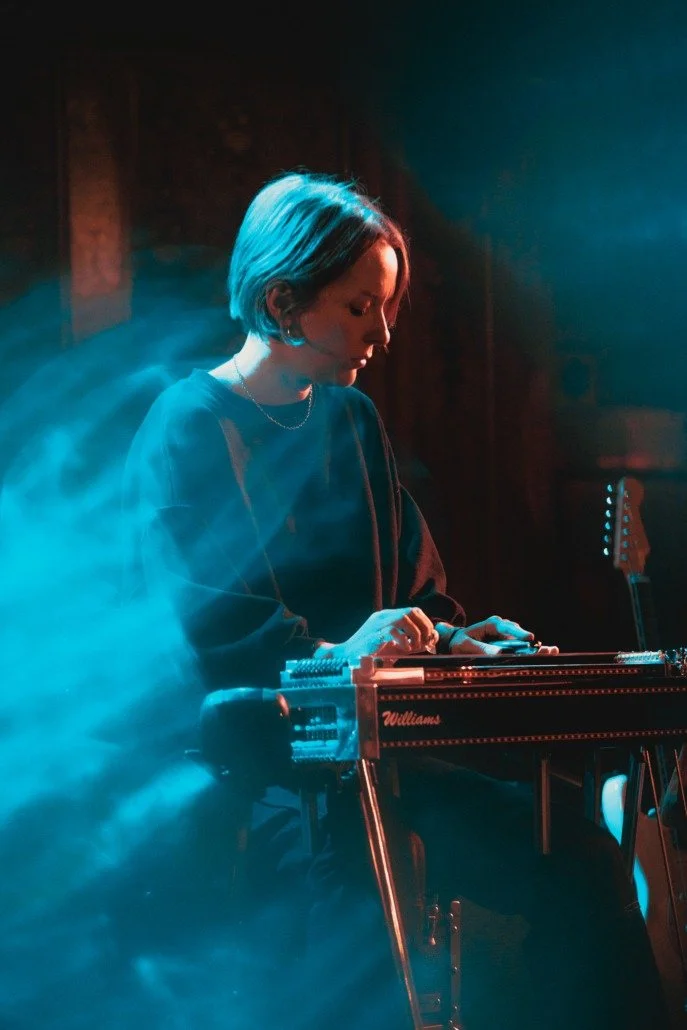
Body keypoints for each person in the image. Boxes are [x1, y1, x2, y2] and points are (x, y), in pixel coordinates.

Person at [122, 171, 670, 1029]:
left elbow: (415, 593)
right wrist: (342, 653)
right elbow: (207, 627)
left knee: (573, 851)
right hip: (266, 768)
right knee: (354, 889)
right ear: (281, 297)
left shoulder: (349, 421)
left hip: (381, 755)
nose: (381, 331)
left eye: (384, 307)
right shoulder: (189, 424)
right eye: (358, 307)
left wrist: (456, 640)